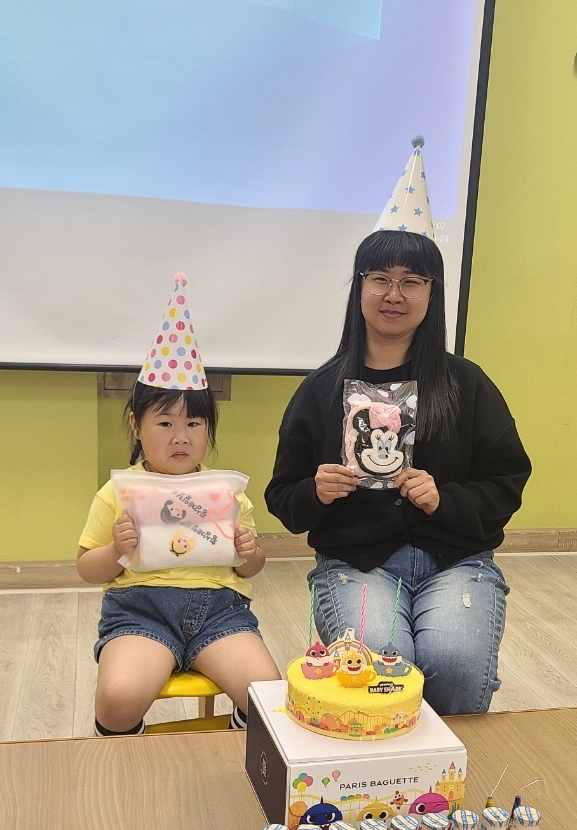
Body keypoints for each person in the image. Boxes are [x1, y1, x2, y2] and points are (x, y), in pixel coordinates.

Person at [265, 139, 531, 715]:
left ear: (432, 294)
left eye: (412, 281)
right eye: (380, 278)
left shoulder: (466, 384)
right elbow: (282, 496)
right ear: (358, 287)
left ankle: (443, 772)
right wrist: (316, 491)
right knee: (380, 669)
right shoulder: (321, 390)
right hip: (355, 562)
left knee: (454, 665)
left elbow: (507, 479)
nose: (394, 294)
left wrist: (446, 500)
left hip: (456, 560)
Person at [77, 274, 279, 736]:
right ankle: (127, 752)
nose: (181, 436)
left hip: (221, 610)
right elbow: (86, 568)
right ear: (136, 425)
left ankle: (237, 740)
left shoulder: (226, 492)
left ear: (209, 429)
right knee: (118, 698)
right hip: (139, 611)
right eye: (165, 423)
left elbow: (249, 569)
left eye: (194, 423)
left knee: (267, 694)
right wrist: (116, 550)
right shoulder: (120, 491)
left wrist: (250, 551)